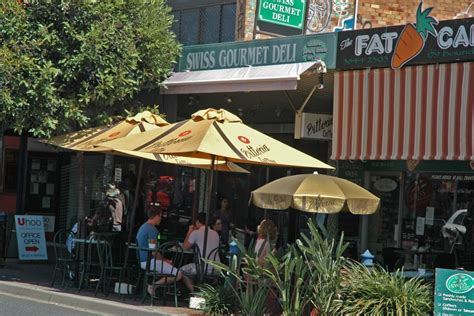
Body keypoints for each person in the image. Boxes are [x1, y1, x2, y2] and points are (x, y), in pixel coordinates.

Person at [136, 206, 192, 295]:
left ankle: (159, 289)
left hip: (143, 261)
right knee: (178, 274)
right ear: (157, 216)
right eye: (161, 216)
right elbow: (154, 251)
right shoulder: (152, 230)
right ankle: (154, 285)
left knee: (167, 270)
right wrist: (165, 260)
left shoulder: (143, 227)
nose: (161, 219)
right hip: (149, 262)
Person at [181, 212, 221, 291]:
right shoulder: (215, 233)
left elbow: (184, 247)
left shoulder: (196, 233)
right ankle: (204, 292)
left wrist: (189, 231)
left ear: (197, 221)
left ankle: (195, 293)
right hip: (216, 268)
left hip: (202, 268)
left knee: (181, 272)